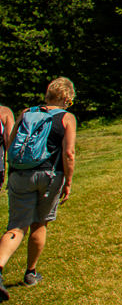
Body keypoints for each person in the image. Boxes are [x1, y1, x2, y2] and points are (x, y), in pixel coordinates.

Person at [0, 78, 77, 299]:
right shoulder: (67, 118)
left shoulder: (26, 112)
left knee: (16, 227)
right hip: (49, 176)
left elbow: (11, 143)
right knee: (39, 224)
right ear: (66, 98)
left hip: (20, 174)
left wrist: (11, 171)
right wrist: (68, 182)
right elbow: (69, 154)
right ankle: (30, 273)